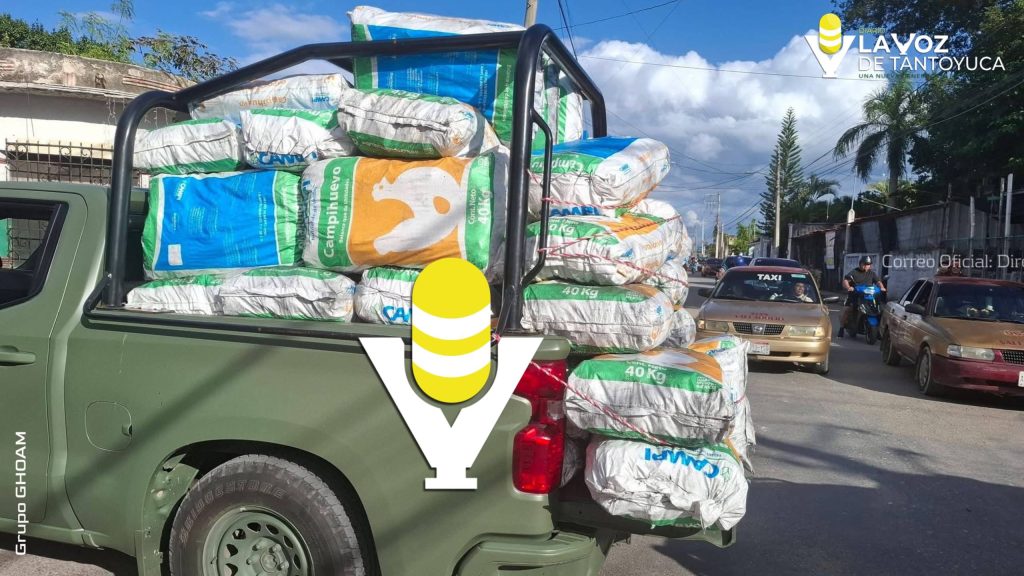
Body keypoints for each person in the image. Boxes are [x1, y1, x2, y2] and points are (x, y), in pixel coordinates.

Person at [839, 256, 886, 337]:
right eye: (864, 264)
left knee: (881, 310)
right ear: (860, 264)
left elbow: (878, 281)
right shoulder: (854, 272)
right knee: (847, 310)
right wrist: (848, 287)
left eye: (868, 264)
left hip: (869, 297)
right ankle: (841, 328)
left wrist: (882, 287)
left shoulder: (872, 273)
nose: (866, 266)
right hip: (855, 296)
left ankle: (879, 331)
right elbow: (845, 281)